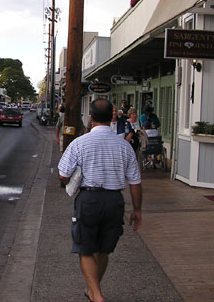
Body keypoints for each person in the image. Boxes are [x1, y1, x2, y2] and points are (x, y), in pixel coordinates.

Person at [58, 99, 142, 302]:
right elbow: (135, 182)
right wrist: (137, 210)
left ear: (91, 118)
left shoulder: (80, 142)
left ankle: (96, 295)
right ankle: (93, 290)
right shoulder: (124, 146)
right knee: (104, 249)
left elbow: (63, 174)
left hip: (89, 198)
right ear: (111, 118)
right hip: (115, 200)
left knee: (85, 248)